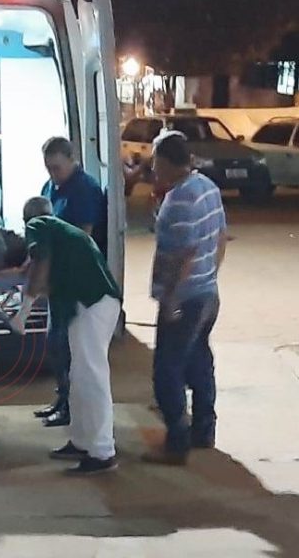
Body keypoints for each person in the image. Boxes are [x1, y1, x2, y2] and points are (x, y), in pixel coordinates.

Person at [10, 196, 122, 475]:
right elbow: (44, 265)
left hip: (91, 304)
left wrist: (24, 311)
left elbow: (42, 264)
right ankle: (83, 441)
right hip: (95, 302)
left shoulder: (38, 224)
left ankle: (103, 451)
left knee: (91, 376)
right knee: (80, 375)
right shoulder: (63, 232)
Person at [142, 131, 227, 466]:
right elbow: (220, 237)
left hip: (185, 298)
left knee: (167, 370)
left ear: (165, 162)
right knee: (199, 360)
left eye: (155, 161)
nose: (152, 168)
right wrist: (211, 276)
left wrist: (171, 299)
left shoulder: (180, 199)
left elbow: (184, 254)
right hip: (207, 294)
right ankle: (204, 430)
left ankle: (177, 443)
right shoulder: (207, 187)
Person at [35, 137, 107, 428]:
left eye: (57, 168)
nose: (52, 174)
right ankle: (62, 398)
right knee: (56, 344)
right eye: (48, 168)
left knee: (70, 347)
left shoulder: (84, 189)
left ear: (71, 160)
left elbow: (82, 236)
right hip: (58, 280)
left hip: (77, 280)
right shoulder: (51, 187)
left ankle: (72, 406)